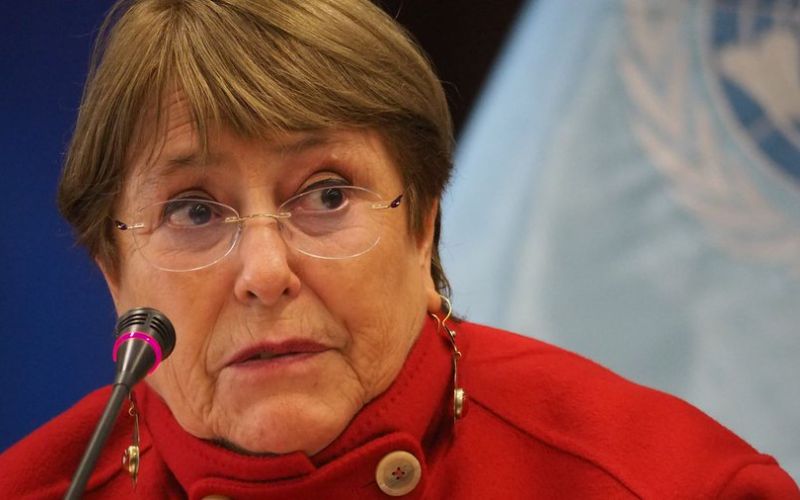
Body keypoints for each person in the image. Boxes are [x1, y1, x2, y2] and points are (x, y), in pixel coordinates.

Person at [0, 0, 797, 497]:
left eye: (327, 195)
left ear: (423, 229)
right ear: (115, 275)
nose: (266, 273)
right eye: (194, 211)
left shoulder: (662, 483)